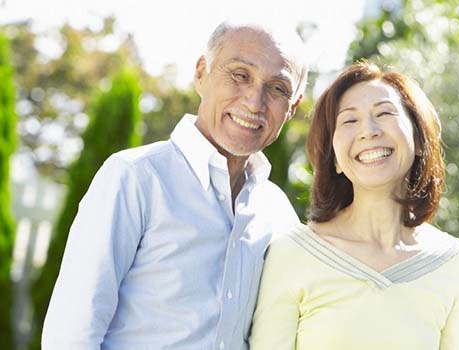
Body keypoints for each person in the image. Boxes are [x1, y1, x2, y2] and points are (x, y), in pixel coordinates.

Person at [41, 21, 308, 349]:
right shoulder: (135, 178)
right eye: (240, 75)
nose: (254, 102)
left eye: (278, 88)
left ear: (292, 107)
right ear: (201, 74)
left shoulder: (278, 213)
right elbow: (71, 334)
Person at [249, 62, 459, 349]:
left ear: (419, 139)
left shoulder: (456, 263)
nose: (368, 131)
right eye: (349, 121)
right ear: (333, 156)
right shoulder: (291, 252)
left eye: (384, 113)